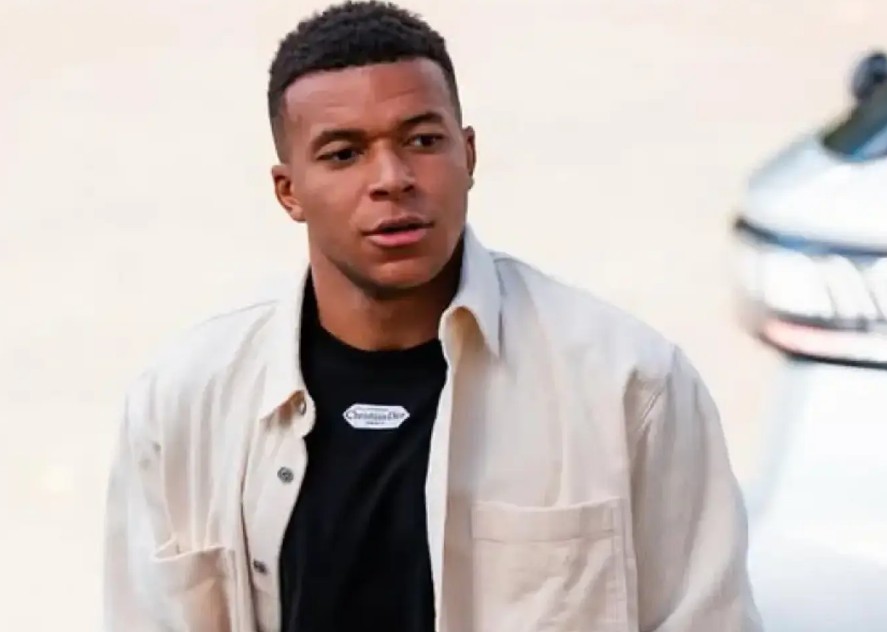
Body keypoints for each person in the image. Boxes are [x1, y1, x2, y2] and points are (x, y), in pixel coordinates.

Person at [103, 1, 763, 630]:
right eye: (343, 153)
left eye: (422, 140)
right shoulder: (186, 401)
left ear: (468, 155)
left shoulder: (628, 385)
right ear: (288, 191)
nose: (392, 177)